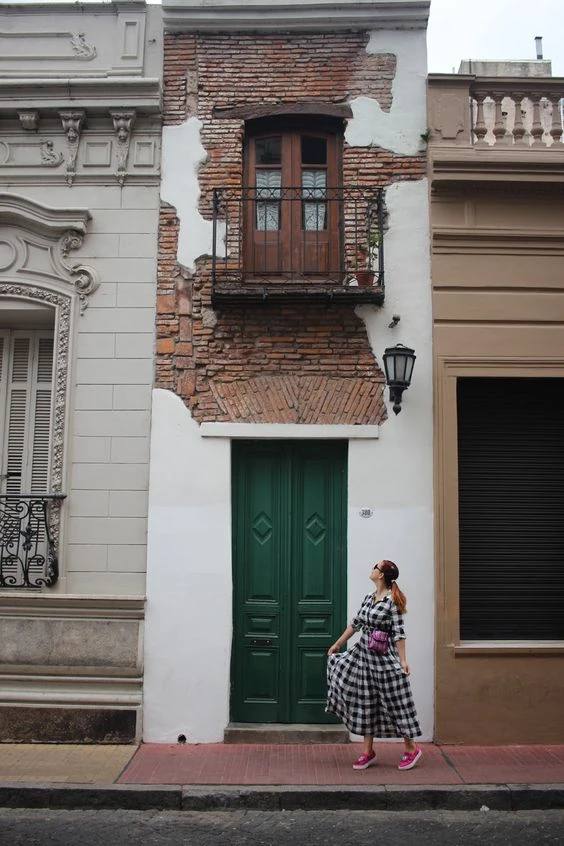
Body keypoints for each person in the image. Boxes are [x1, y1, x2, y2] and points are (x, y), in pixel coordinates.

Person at [326, 559, 422, 771]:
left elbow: (399, 633)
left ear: (381, 575)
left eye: (375, 567)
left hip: (383, 657)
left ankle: (411, 748)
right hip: (363, 656)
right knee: (366, 701)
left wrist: (403, 660)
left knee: (396, 701)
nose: (372, 569)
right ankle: (367, 751)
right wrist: (338, 643)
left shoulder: (392, 601)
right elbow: (355, 624)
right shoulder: (369, 598)